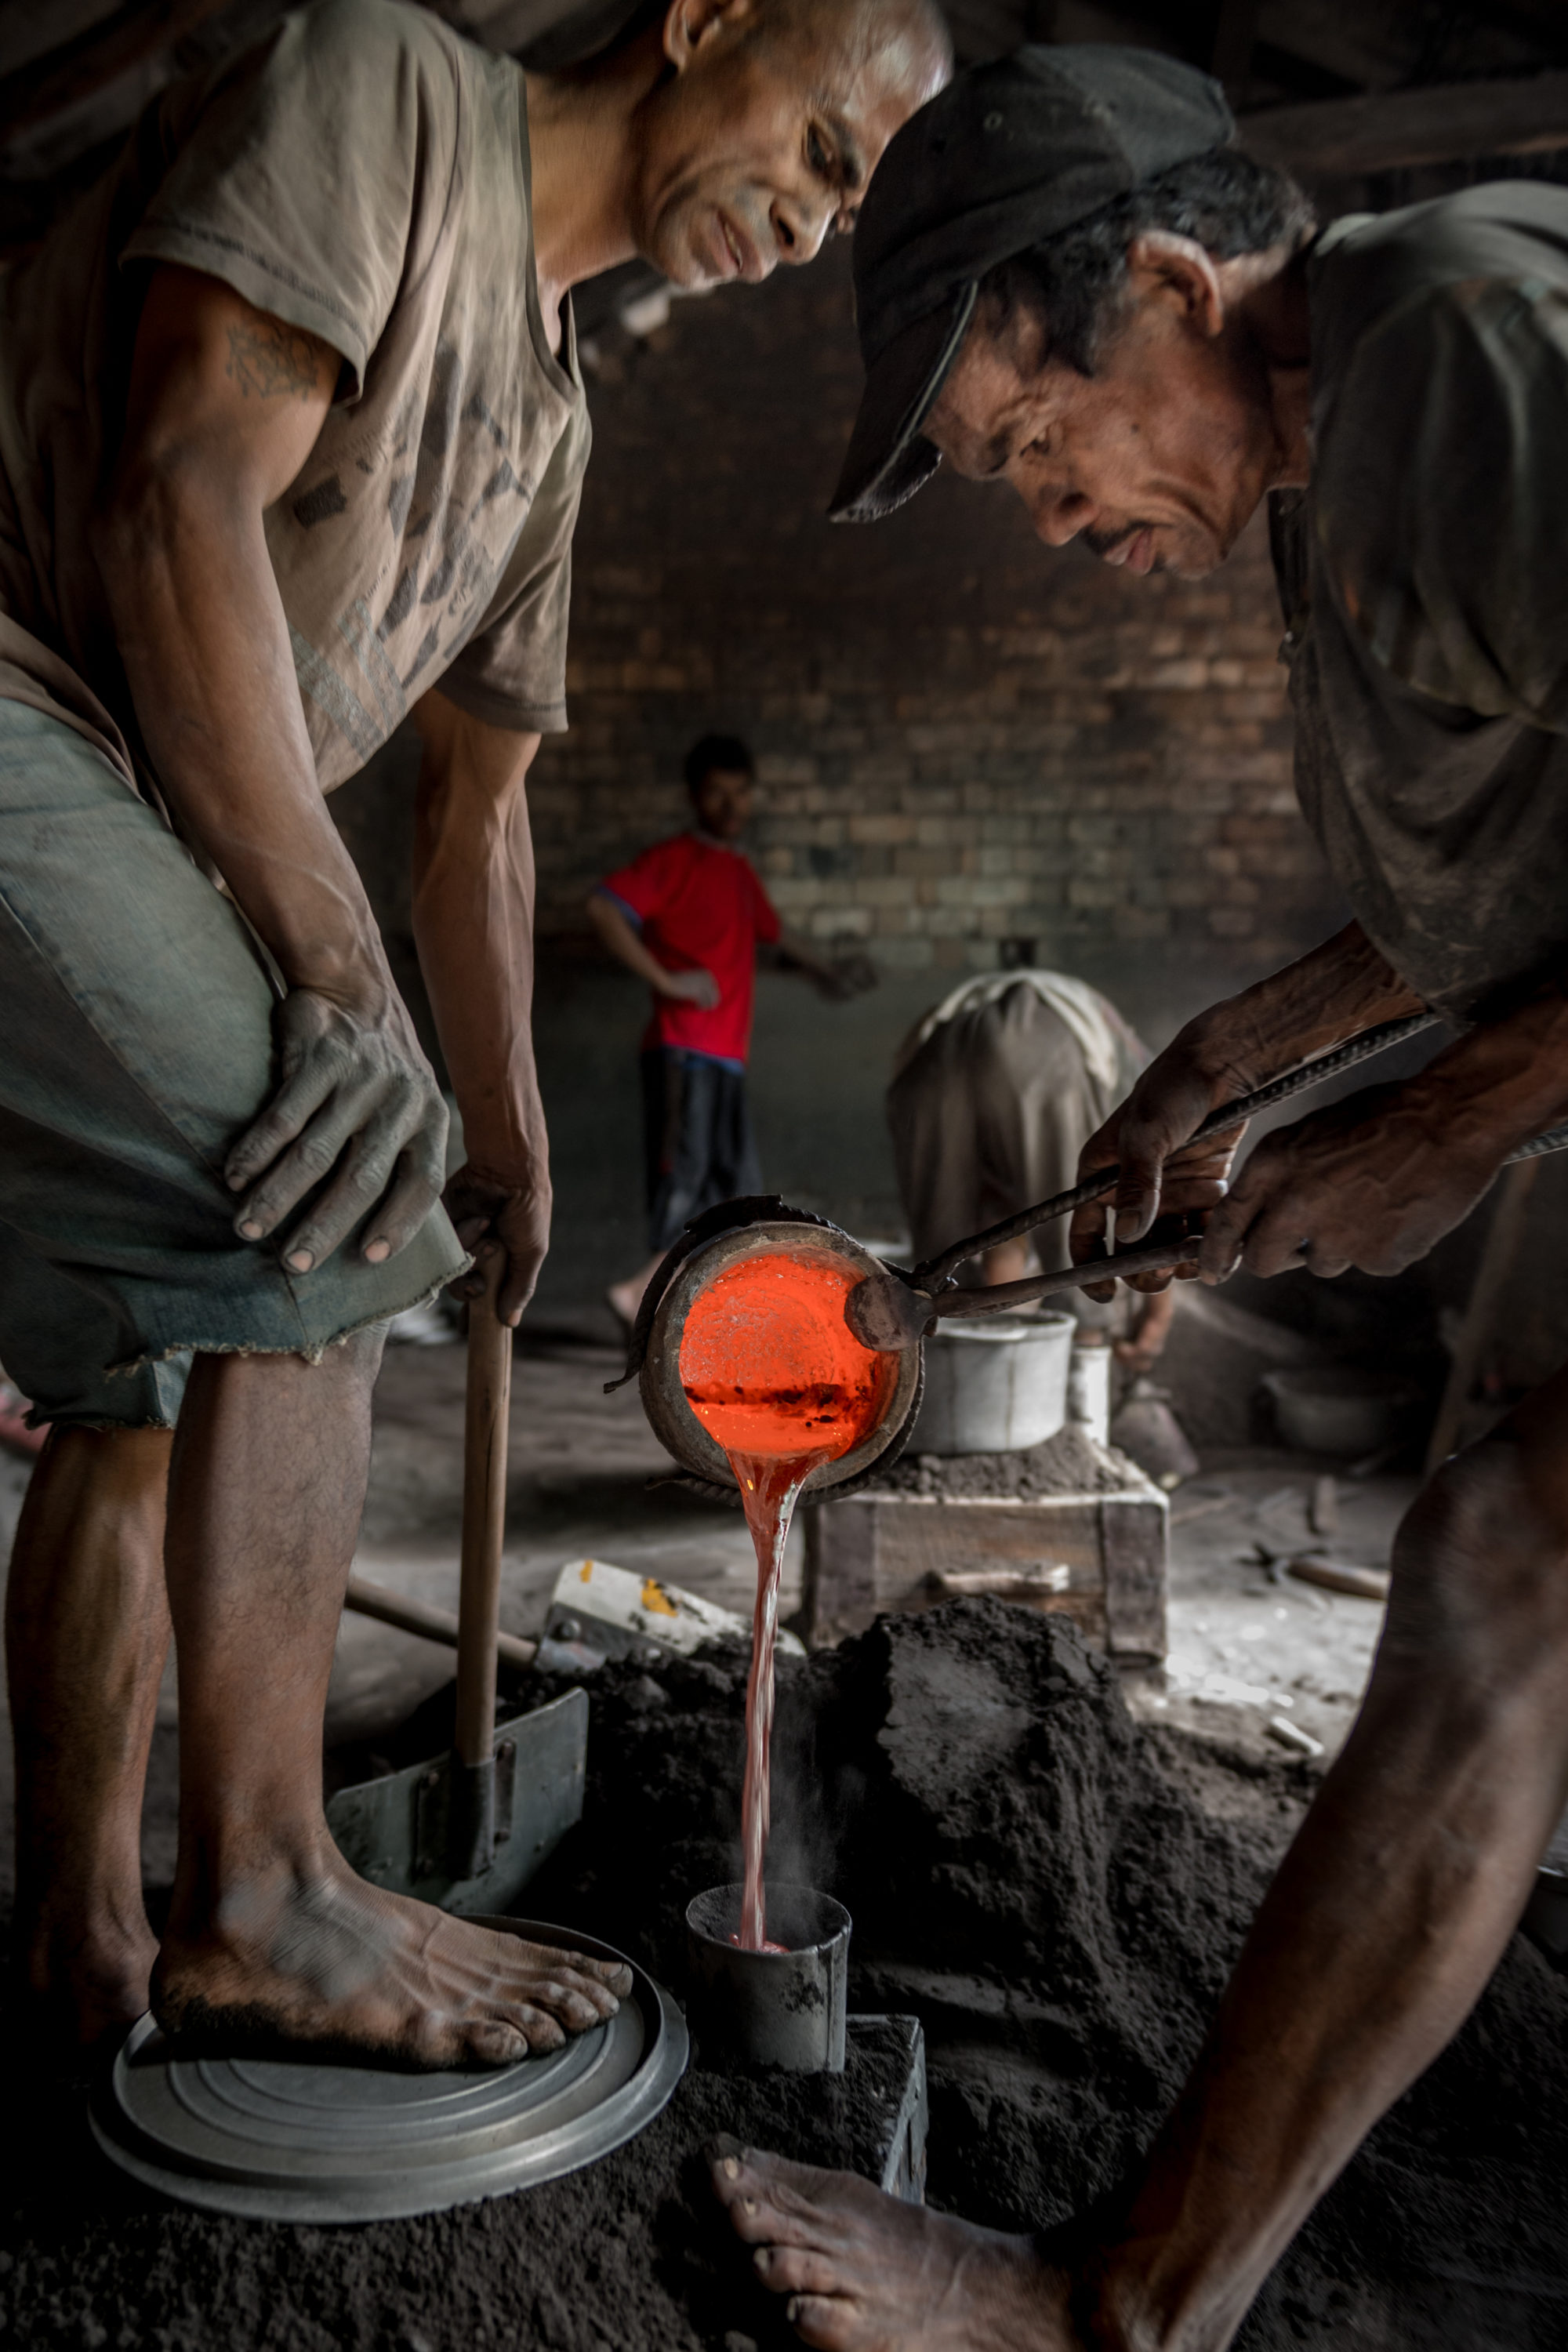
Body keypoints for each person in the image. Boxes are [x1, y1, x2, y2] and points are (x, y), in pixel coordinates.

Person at [713, 44, 1568, 2351]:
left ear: (1177, 286)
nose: (1045, 516)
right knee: (1503, 1580)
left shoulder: (1468, 348)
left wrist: (1447, 1124)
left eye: (1026, 443)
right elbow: (1506, 845)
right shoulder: (1353, 442)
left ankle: (1126, 2310)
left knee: (1501, 1579)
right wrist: (1245, 1054)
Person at [2, 0, 952, 2057]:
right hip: (14, 708)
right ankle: (257, 1891)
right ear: (707, 22)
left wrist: (504, 1117)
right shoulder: (381, 88)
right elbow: (182, 489)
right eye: (827, 145)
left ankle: (74, 1949)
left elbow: (481, 812)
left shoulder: (551, 418)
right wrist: (346, 999)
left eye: (846, 206)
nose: (815, 222)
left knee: (139, 1385)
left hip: (101, 817)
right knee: (335, 1196)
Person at [590, 732, 875, 1325]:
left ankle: (678, 1306)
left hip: (725, 1060)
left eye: (740, 794)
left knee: (738, 1192)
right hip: (682, 1053)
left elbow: (776, 936)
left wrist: (827, 971)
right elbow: (603, 909)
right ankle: (641, 1298)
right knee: (683, 1188)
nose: (730, 807)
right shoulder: (673, 861)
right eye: (717, 794)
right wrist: (667, 982)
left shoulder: (738, 873)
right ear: (696, 797)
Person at [886, 966, 1173, 1375]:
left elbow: (1004, 1226)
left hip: (931, 1057)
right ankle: (1084, 1388)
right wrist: (1158, 1316)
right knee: (1084, 1246)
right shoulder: (1142, 1065)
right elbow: (1159, 1177)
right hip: (1043, 1050)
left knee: (942, 1274)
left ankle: (958, 1385)